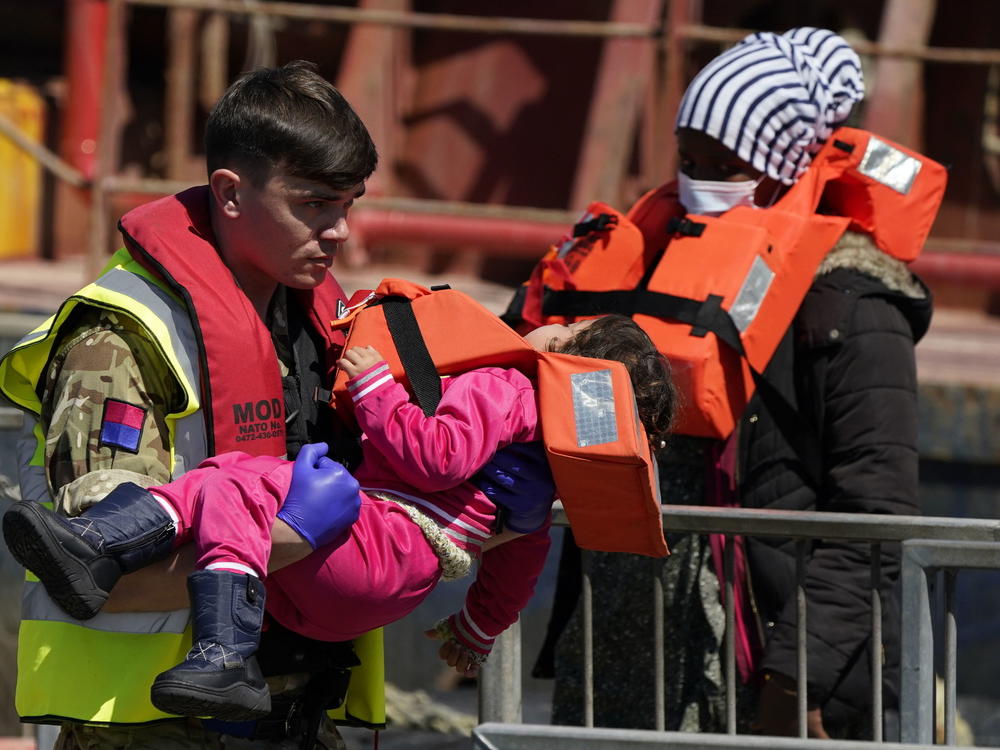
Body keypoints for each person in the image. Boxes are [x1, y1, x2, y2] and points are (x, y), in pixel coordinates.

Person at [0, 60, 551, 750]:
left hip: (305, 720)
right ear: (230, 194)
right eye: (314, 204)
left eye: (348, 204)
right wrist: (293, 537)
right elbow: (100, 578)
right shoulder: (119, 342)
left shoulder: (334, 333)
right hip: (160, 732)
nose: (341, 232)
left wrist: (503, 506)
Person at [530, 27, 934, 739]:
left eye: (723, 163)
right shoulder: (654, 254)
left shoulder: (854, 303)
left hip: (763, 660)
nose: (696, 178)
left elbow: (876, 509)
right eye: (687, 155)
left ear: (784, 163)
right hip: (627, 644)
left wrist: (796, 675)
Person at [3, 314, 677, 722]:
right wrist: (472, 635)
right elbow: (512, 578)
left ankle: (217, 646)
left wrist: (378, 388)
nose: (545, 325)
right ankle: (95, 545)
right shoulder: (541, 488)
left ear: (570, 359)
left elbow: (438, 457)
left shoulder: (514, 388)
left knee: (230, 482)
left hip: (369, 541)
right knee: (227, 483)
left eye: (564, 326)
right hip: (369, 601)